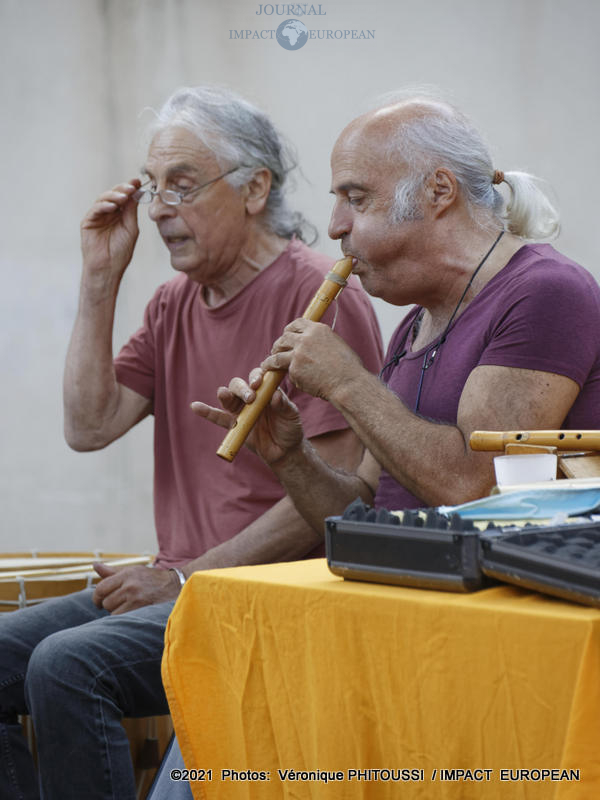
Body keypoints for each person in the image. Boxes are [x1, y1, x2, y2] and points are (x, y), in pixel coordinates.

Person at [0, 87, 382, 799]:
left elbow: (330, 497)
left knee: (64, 666)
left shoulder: (319, 298)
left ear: (254, 188)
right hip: (179, 584)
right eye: (153, 188)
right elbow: (89, 426)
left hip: (265, 595)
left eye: (182, 184)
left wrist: (182, 579)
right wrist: (99, 277)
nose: (158, 209)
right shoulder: (173, 302)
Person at [194, 91, 600, 530]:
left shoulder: (546, 291)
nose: (335, 226)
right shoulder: (416, 323)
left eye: (357, 198)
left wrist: (347, 382)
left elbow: (477, 490)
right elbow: (366, 508)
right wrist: (290, 457)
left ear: (438, 191)